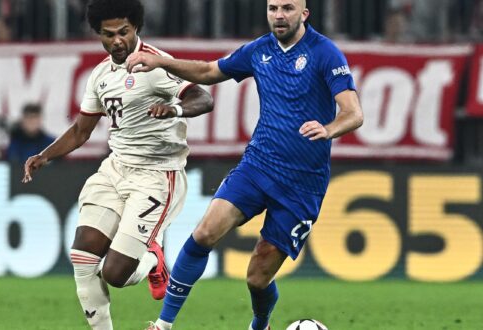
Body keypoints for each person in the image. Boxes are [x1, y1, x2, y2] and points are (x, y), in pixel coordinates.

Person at [126, 0, 363, 329]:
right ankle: (164, 324)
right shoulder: (258, 50)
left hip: (302, 185)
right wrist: (160, 62)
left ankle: (260, 324)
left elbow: (354, 113)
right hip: (258, 166)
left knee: (256, 278)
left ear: (304, 14)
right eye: (273, 8)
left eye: (288, 8)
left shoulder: (325, 53)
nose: (279, 15)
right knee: (205, 233)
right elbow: (210, 71)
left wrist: (329, 129)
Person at [21, 0, 214, 329]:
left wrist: (176, 110)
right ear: (98, 34)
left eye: (124, 32)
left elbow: (203, 98)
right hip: (115, 169)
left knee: (116, 274)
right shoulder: (100, 75)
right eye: (109, 34)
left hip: (156, 176)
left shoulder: (156, 64)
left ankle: (153, 258)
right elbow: (82, 129)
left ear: (136, 28)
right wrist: (45, 155)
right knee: (82, 256)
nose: (117, 41)